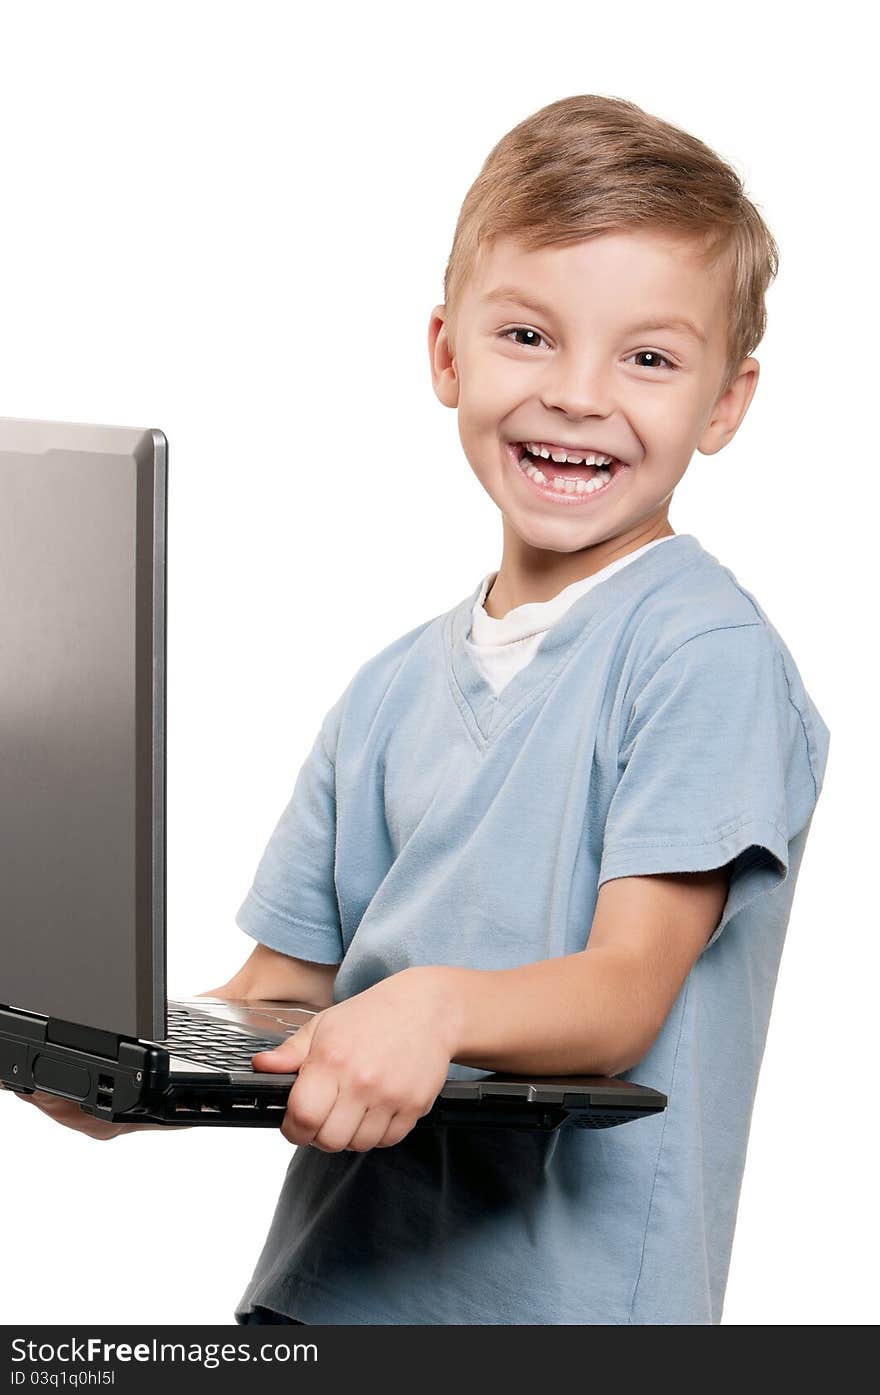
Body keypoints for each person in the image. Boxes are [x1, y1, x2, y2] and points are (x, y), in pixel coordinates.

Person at [14, 93, 830, 1326]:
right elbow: (281, 990)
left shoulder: (700, 654)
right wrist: (133, 1064)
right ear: (447, 352)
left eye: (648, 357)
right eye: (527, 336)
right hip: (325, 1305)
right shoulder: (390, 688)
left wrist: (433, 1006)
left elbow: (625, 991)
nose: (578, 394)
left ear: (725, 403)